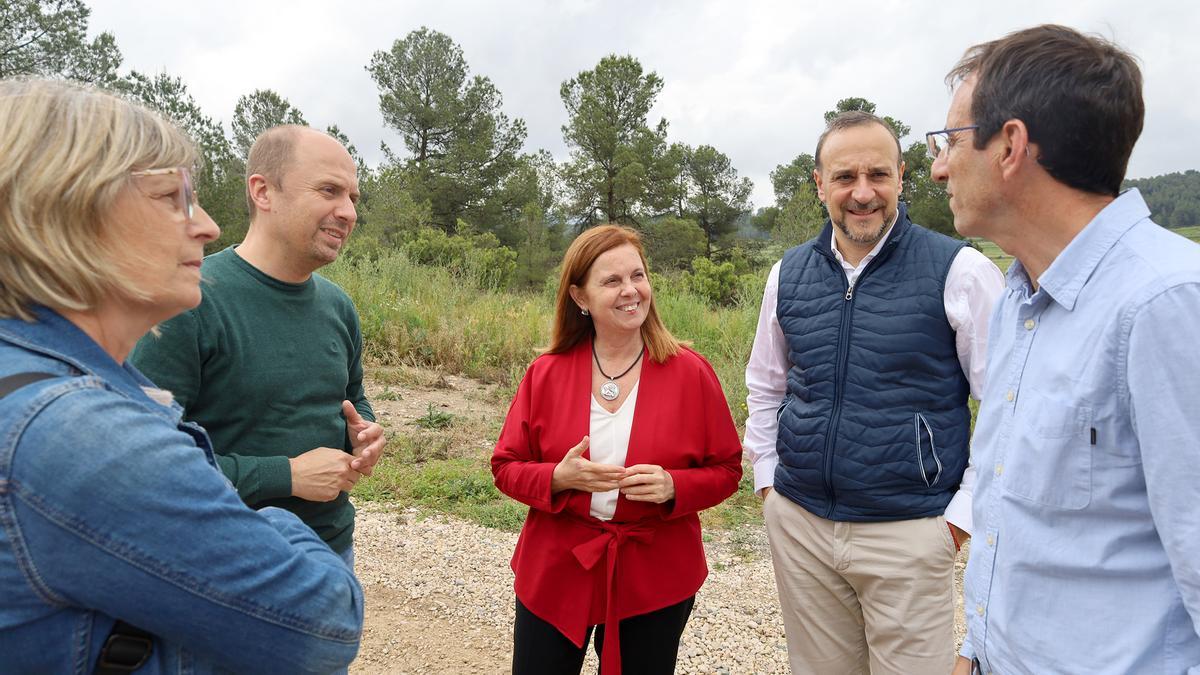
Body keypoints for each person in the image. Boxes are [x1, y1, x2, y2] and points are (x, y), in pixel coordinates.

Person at [0, 79, 362, 673]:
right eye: (172, 197)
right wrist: (269, 514)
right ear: (66, 212)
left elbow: (353, 399)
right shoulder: (82, 436)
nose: (207, 226)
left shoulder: (33, 373)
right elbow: (323, 621)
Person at [930, 25, 1200, 675]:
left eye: (951, 141)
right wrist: (974, 650)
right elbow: (1017, 515)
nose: (939, 165)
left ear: (1011, 146)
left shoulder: (1166, 304)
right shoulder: (1021, 300)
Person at [744, 110, 1004, 673]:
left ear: (902, 177)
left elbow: (1010, 408)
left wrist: (958, 520)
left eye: (878, 175)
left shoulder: (962, 271)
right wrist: (769, 482)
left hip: (910, 532)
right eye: (844, 177)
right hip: (803, 526)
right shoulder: (787, 274)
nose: (863, 193)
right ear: (818, 184)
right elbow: (766, 384)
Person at [491, 225, 743, 675]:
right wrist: (557, 478)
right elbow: (506, 466)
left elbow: (726, 468)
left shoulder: (691, 372)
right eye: (612, 281)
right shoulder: (545, 372)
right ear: (580, 297)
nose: (631, 291)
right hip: (557, 564)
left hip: (654, 570)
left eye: (638, 276)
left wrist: (674, 486)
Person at [130, 125, 384, 566]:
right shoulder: (189, 300)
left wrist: (364, 433)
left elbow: (352, 397)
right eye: (329, 190)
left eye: (353, 198)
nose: (347, 212)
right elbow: (148, 462)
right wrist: (285, 476)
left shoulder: (339, 307)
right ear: (263, 192)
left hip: (332, 551)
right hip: (222, 560)